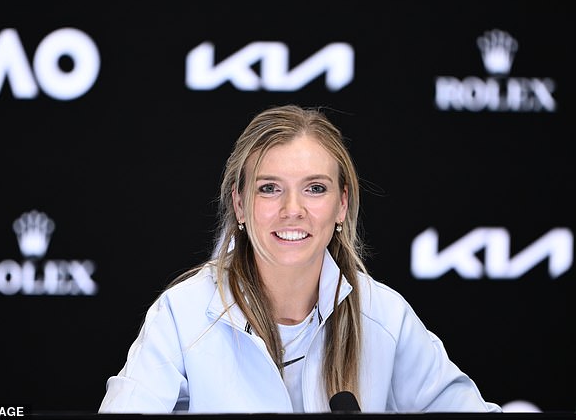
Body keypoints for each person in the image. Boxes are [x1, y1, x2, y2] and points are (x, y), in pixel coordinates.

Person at [99, 104, 501, 414]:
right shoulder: (182, 314)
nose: (293, 209)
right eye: (270, 188)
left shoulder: (384, 316)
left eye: (315, 189)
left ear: (342, 205)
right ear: (240, 204)